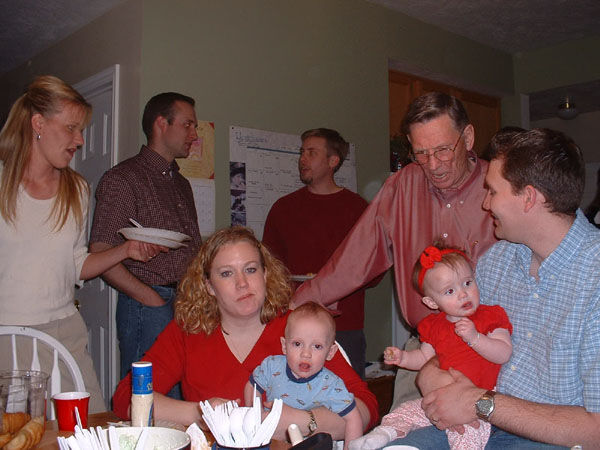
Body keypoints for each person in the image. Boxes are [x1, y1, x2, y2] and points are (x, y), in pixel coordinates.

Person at [391, 128, 600, 448]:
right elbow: (451, 342)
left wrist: (480, 402)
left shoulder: (594, 278)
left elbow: (596, 429)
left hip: (548, 440)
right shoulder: (497, 261)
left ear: (529, 198)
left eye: (493, 191)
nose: (486, 204)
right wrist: (431, 373)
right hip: (471, 422)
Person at [111, 226, 378, 442]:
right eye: (226, 274)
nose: (242, 283)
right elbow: (126, 398)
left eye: (250, 269)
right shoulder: (187, 331)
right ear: (209, 286)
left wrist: (301, 420)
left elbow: (366, 407)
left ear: (264, 274)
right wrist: (202, 413)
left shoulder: (299, 329)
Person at [0, 75, 162, 412]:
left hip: (64, 335)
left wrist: (127, 250)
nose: (81, 140)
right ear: (38, 123)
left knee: (86, 429)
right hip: (6, 338)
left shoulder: (77, 190)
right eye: (72, 128)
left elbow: (76, 265)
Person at [292, 92, 498, 332]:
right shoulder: (403, 184)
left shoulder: (500, 186)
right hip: (424, 345)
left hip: (489, 347)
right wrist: (298, 302)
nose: (432, 165)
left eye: (443, 150)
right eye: (421, 153)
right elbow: (356, 258)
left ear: (468, 137)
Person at [350, 245, 512, 450]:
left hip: (475, 404)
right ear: (432, 302)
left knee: (467, 436)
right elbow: (424, 357)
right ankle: (382, 437)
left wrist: (475, 338)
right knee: (403, 412)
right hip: (438, 400)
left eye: (468, 283)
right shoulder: (433, 326)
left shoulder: (490, 316)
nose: (463, 294)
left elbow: (503, 353)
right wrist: (403, 358)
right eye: (450, 291)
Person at [89, 92, 202, 384]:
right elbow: (100, 250)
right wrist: (148, 297)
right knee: (146, 397)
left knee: (181, 392)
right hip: (147, 304)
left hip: (186, 303)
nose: (194, 134)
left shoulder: (182, 184)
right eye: (188, 125)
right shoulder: (122, 179)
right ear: (161, 124)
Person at [262, 128, 369, 377]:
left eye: (312, 153)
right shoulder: (283, 208)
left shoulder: (358, 210)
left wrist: (335, 286)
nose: (302, 159)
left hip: (344, 327)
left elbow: (372, 272)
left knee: (349, 402)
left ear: (333, 161)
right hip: (293, 325)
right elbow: (269, 267)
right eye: (302, 152)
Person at [245, 302, 363, 449]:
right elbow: (252, 385)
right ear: (284, 345)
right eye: (297, 344)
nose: (305, 354)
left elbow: (354, 418)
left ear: (331, 352)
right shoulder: (272, 366)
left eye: (317, 346)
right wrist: (255, 415)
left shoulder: (331, 385)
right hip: (272, 443)